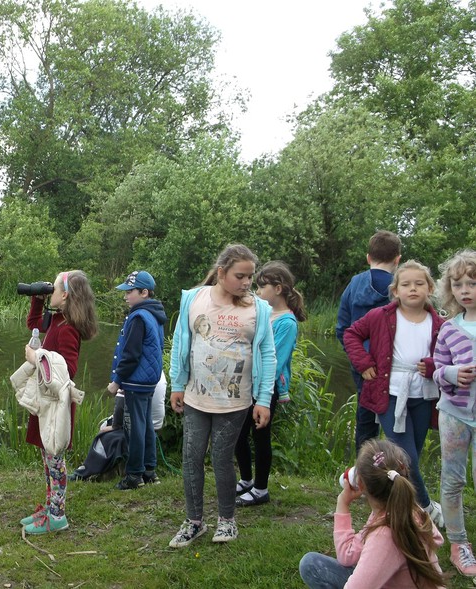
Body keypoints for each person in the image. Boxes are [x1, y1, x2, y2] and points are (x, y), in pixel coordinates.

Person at [168, 244, 276, 548]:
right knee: (191, 457)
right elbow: (180, 343)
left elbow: (267, 354)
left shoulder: (259, 308)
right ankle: (194, 521)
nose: (246, 283)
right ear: (221, 273)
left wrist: (264, 399)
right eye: (240, 276)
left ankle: (227, 521)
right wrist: (178, 383)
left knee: (221, 458)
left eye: (250, 277)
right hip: (195, 397)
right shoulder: (194, 298)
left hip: (235, 401)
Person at [343, 260, 444, 527]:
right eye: (406, 284)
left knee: (411, 458)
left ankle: (396, 506)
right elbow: (351, 334)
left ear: (429, 288)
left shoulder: (439, 323)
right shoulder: (381, 316)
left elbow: (449, 356)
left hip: (424, 394)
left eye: (419, 284)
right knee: (405, 457)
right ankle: (425, 511)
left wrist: (433, 365)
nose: (413, 289)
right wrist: (364, 364)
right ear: (396, 290)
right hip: (389, 394)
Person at [298, 438, 446, 589]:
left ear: (361, 484)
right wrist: (342, 504)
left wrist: (342, 502)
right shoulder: (408, 509)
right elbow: (347, 556)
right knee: (311, 564)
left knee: (313, 567)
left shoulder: (385, 535)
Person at [20, 270, 98, 535]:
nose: (50, 292)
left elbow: (69, 369)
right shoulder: (58, 319)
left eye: (52, 289)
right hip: (47, 402)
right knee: (47, 457)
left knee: (55, 462)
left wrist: (36, 358)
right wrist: (38, 300)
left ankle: (58, 516)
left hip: (57, 407)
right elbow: (33, 323)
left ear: (65, 295)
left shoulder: (68, 329)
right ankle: (49, 507)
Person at [234, 261, 306, 506]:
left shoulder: (287, 323)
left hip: (266, 387)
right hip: (247, 383)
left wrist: (261, 393)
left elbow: (275, 360)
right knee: (238, 434)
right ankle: (246, 480)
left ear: (278, 288)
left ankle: (261, 489)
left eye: (262, 287)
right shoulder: (261, 312)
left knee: (260, 435)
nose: (258, 291)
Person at [336, 230, 402, 453]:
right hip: (395, 365)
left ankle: (364, 473)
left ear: (368, 258)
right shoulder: (402, 288)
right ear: (397, 259)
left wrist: (358, 360)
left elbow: (342, 328)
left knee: (365, 421)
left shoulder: (355, 284)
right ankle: (395, 471)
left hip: (363, 367)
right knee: (397, 421)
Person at [432, 249, 476, 577]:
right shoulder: (449, 329)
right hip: (454, 414)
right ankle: (458, 544)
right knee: (453, 480)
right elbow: (437, 369)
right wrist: (451, 374)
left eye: (472, 283)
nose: (465, 290)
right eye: (458, 284)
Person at [107, 270, 167, 490]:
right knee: (146, 425)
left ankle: (134, 476)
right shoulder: (155, 314)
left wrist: (117, 380)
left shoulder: (139, 317)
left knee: (135, 428)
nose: (126, 296)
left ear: (144, 292)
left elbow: (131, 354)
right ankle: (149, 471)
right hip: (149, 380)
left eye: (130, 292)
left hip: (136, 381)